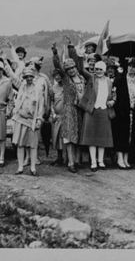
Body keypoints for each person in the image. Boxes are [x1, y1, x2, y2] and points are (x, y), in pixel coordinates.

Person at [51, 43, 84, 173]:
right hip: (69, 110)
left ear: (75, 67)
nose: (71, 70)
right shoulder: (66, 79)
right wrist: (55, 53)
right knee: (69, 137)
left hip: (80, 110)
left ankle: (77, 160)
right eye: (68, 69)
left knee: (78, 136)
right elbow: (58, 66)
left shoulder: (81, 78)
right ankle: (70, 162)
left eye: (72, 68)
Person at [77, 60, 115, 172]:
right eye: (96, 69)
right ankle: (93, 162)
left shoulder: (109, 82)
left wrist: (112, 101)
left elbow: (112, 95)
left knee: (102, 138)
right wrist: (79, 55)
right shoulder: (91, 78)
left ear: (104, 70)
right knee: (91, 137)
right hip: (92, 111)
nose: (98, 71)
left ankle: (101, 161)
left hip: (104, 111)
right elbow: (80, 69)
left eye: (100, 69)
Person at [11, 67, 44, 176]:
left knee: (33, 145)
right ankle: (20, 168)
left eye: (30, 76)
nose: (29, 78)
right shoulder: (22, 88)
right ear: (24, 78)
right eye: (26, 77)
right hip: (20, 119)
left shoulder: (38, 89)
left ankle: (33, 168)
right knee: (20, 144)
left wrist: (39, 119)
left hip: (32, 120)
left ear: (33, 77)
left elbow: (41, 106)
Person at [111, 59, 135, 169]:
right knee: (121, 134)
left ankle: (126, 159)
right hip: (121, 111)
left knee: (130, 135)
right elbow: (115, 95)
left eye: (134, 67)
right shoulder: (120, 79)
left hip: (133, 111)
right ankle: (120, 159)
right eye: (130, 66)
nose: (131, 68)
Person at [49, 69, 65, 166]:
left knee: (66, 138)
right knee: (58, 137)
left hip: (66, 116)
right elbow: (51, 101)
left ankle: (70, 159)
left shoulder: (68, 87)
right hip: (57, 116)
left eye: (59, 74)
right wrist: (52, 112)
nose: (57, 77)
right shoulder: (53, 88)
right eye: (55, 75)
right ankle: (59, 158)